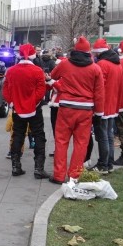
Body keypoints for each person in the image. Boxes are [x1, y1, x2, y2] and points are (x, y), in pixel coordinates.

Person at [47, 36, 104, 185]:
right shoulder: (95, 68)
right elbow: (99, 93)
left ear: (75, 50)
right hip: (85, 110)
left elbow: (52, 76)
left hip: (66, 107)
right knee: (81, 143)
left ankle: (59, 176)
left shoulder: (65, 64)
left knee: (61, 141)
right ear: (89, 52)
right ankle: (74, 175)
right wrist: (99, 112)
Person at [2, 43, 48, 178]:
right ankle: (38, 169)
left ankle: (16, 167)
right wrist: (33, 102)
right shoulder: (38, 71)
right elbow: (41, 90)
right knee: (39, 136)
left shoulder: (11, 71)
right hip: (35, 109)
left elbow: (6, 90)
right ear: (33, 56)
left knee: (18, 135)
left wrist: (13, 102)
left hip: (17, 109)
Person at [85, 38, 121, 174]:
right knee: (109, 135)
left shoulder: (102, 64)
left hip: (103, 105)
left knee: (102, 136)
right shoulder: (117, 63)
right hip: (113, 104)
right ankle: (109, 162)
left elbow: (98, 87)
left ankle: (102, 165)